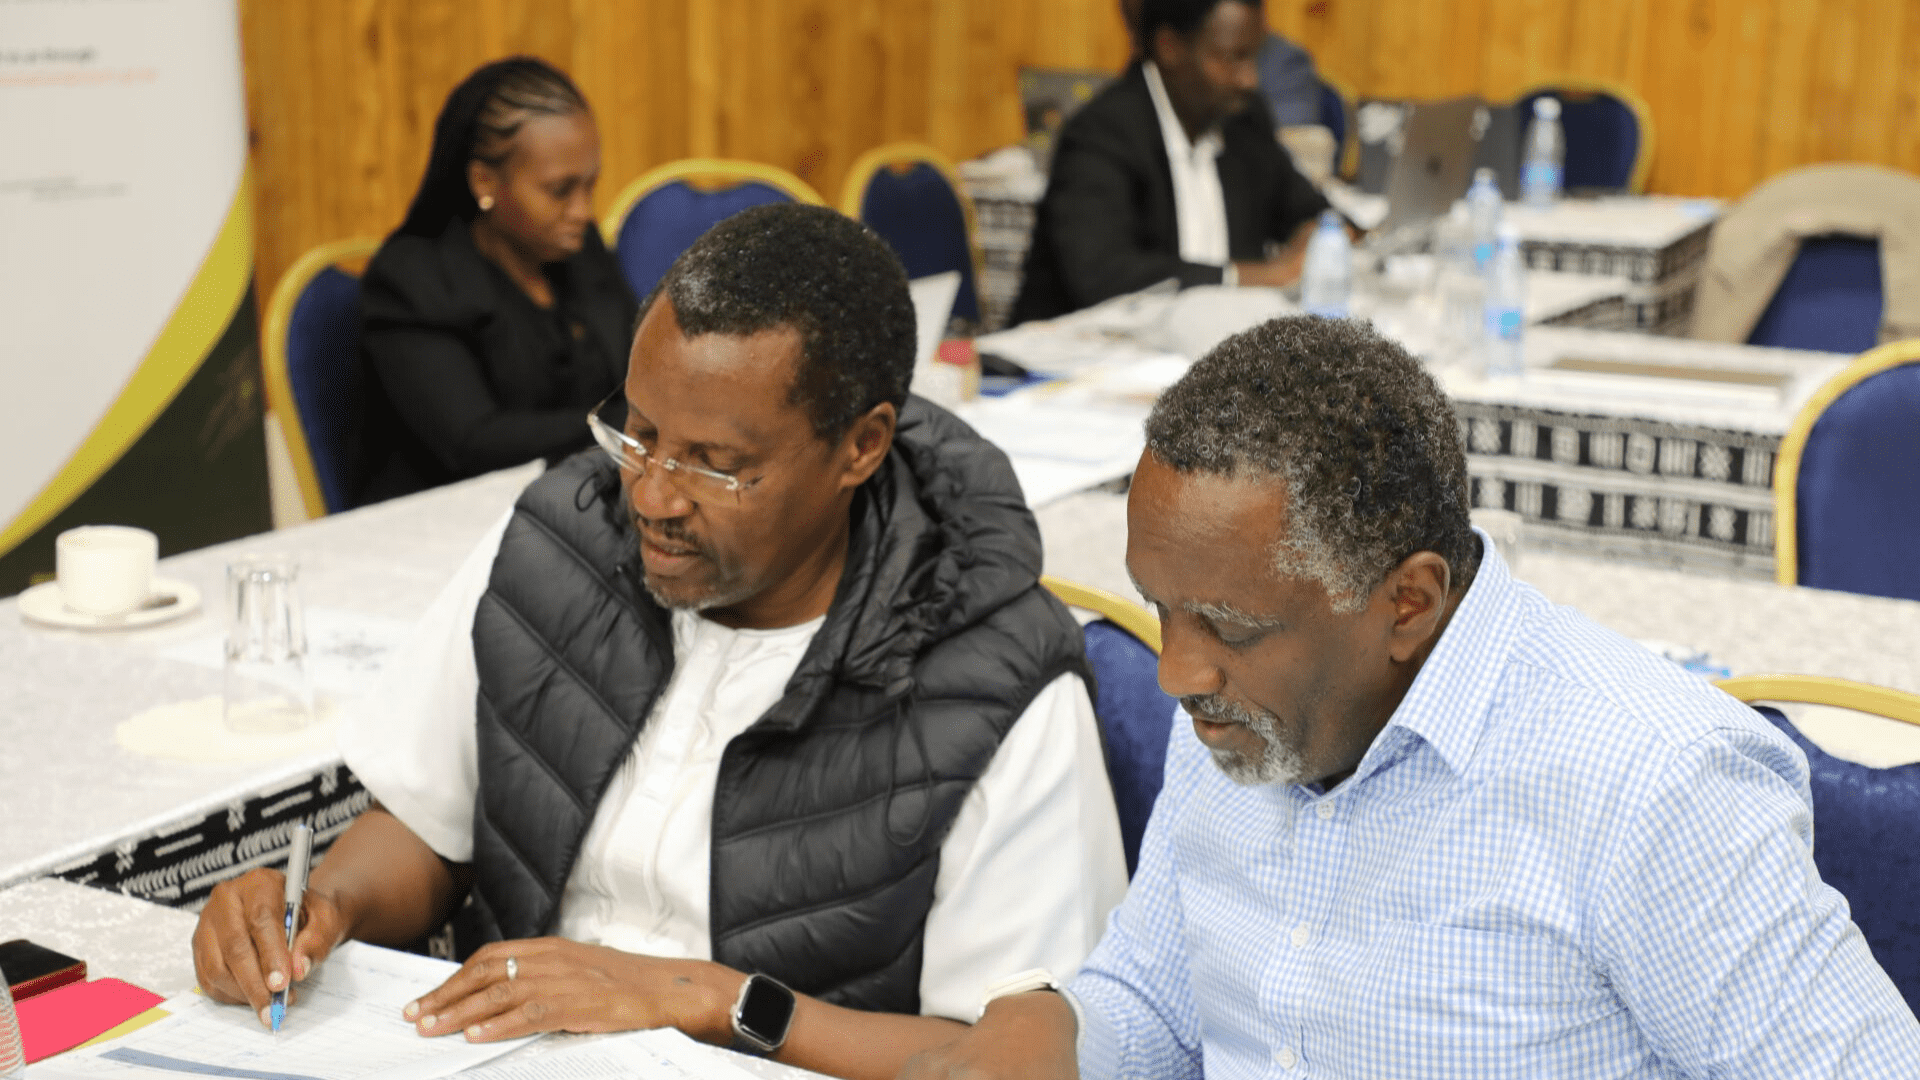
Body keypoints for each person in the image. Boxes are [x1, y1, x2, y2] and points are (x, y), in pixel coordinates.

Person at [193, 205, 1127, 1080]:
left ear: (862, 446)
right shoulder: (557, 544)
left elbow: (1011, 1058)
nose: (652, 497)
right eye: (637, 435)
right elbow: (429, 825)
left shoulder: (990, 678)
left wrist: (705, 999)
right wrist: (323, 909)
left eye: (717, 466)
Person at [905, 316, 1920, 1078]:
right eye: (1162, 613)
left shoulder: (1652, 780)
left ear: (1410, 602)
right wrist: (1071, 1026)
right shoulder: (1235, 715)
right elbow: (1163, 1007)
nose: (1177, 672)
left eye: (1231, 625)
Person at [352, 57, 638, 506]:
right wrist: (629, 425)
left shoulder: (582, 252)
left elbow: (636, 372)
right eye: (560, 190)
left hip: (581, 507)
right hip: (452, 529)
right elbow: (471, 443)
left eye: (590, 186)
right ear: (484, 180)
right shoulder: (413, 280)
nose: (583, 211)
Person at [1010, 0, 1329, 325]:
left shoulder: (1244, 120)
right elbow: (1102, 275)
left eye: (1254, 56)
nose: (1249, 78)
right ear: (1170, 48)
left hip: (1212, 351)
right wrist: (1253, 276)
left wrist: (1314, 240)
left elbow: (1313, 211)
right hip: (1081, 360)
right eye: (1233, 57)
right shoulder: (1102, 133)